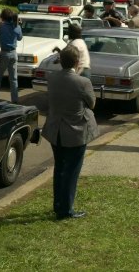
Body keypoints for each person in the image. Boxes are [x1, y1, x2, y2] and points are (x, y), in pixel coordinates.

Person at [41, 45, 97, 219]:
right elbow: (92, 103)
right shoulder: (82, 82)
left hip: (55, 129)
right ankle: (66, 209)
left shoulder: (52, 78)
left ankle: (58, 204)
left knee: (59, 168)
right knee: (72, 171)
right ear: (77, 61)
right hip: (75, 132)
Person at [0, 9, 23, 103]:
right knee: (13, 78)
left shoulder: (1, 27)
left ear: (3, 17)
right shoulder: (16, 27)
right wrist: (18, 25)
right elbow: (20, 38)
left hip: (4, 53)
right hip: (13, 53)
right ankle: (15, 99)